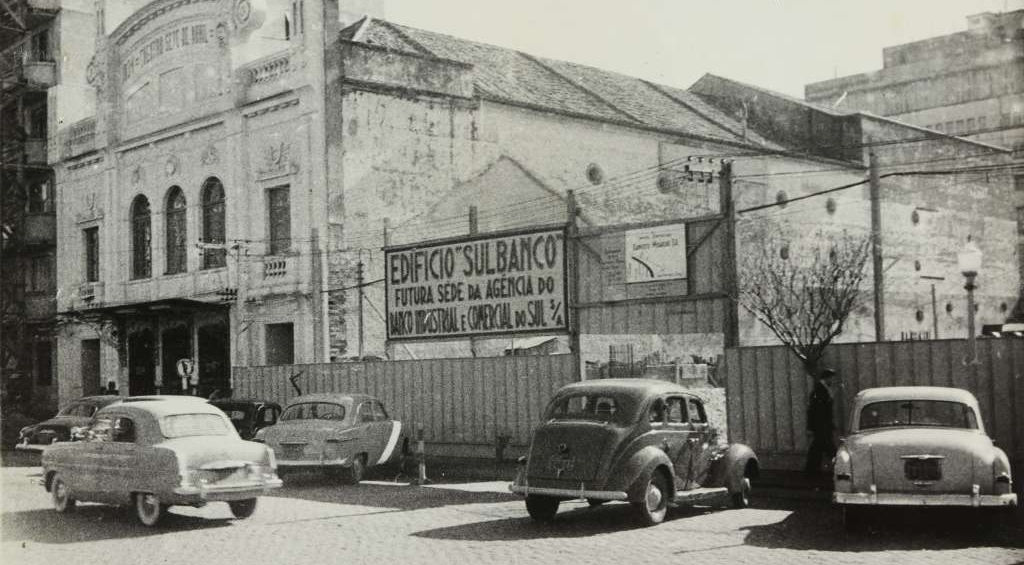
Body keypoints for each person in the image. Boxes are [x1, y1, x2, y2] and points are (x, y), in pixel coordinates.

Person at [804, 368, 837, 477]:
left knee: (817, 449)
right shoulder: (820, 390)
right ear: (827, 378)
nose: (832, 381)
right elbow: (814, 410)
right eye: (831, 378)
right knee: (828, 448)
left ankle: (811, 471)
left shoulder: (823, 389)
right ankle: (840, 467)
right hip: (821, 425)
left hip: (822, 425)